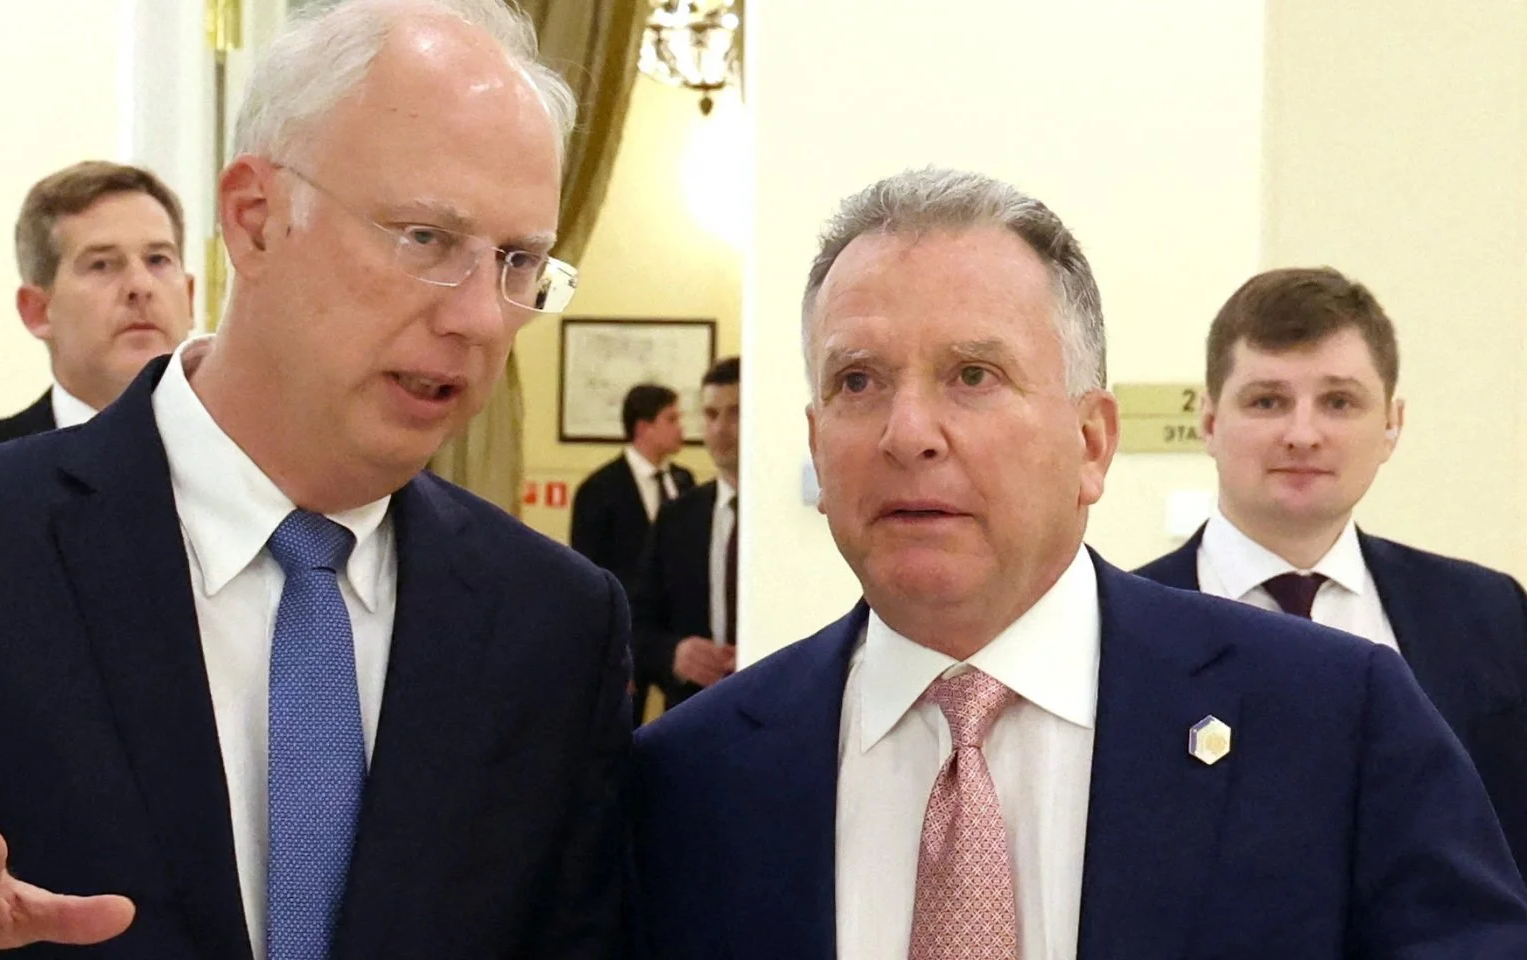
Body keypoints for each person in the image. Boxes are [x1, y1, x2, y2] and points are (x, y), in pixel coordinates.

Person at [0, 2, 631, 958]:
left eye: (519, 262)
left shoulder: (554, 624)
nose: (480, 318)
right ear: (255, 220)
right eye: (426, 240)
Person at [629, 168, 1527, 959]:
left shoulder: (1336, 719)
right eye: (858, 381)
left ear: (1092, 442)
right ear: (817, 445)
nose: (908, 434)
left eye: (973, 375)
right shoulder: (692, 777)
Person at [1136, 266, 1527, 877]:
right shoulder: (1121, 625)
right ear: (1209, 422)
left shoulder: (1488, 614)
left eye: (1339, 402)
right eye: (1267, 401)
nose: (1302, 434)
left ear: (1392, 425)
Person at [0, 161, 196, 470]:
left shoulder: (223, 456)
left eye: (158, 260)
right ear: (37, 310)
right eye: (101, 264)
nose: (140, 286)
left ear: (191, 296)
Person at [630, 357, 739, 723]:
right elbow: (637, 623)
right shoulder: (677, 518)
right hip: (694, 714)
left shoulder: (795, 520)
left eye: (736, 413)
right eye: (711, 415)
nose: (721, 429)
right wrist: (675, 654)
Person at [569, 383, 695, 580]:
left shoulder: (684, 480)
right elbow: (587, 566)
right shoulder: (599, 489)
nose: (680, 428)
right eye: (671, 420)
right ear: (643, 428)